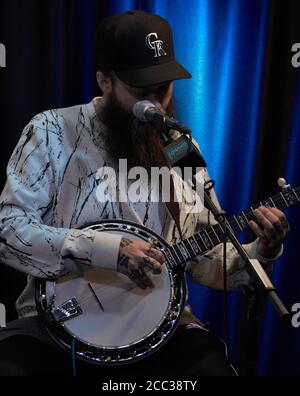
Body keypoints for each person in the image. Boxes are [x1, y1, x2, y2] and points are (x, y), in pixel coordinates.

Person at [0, 10, 289, 376]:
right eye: (140, 91)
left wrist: (262, 250)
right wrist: (109, 253)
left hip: (158, 330)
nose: (155, 104)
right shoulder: (53, 131)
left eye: (163, 88)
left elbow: (206, 259)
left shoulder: (179, 148)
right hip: (58, 324)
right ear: (104, 81)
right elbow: (8, 230)